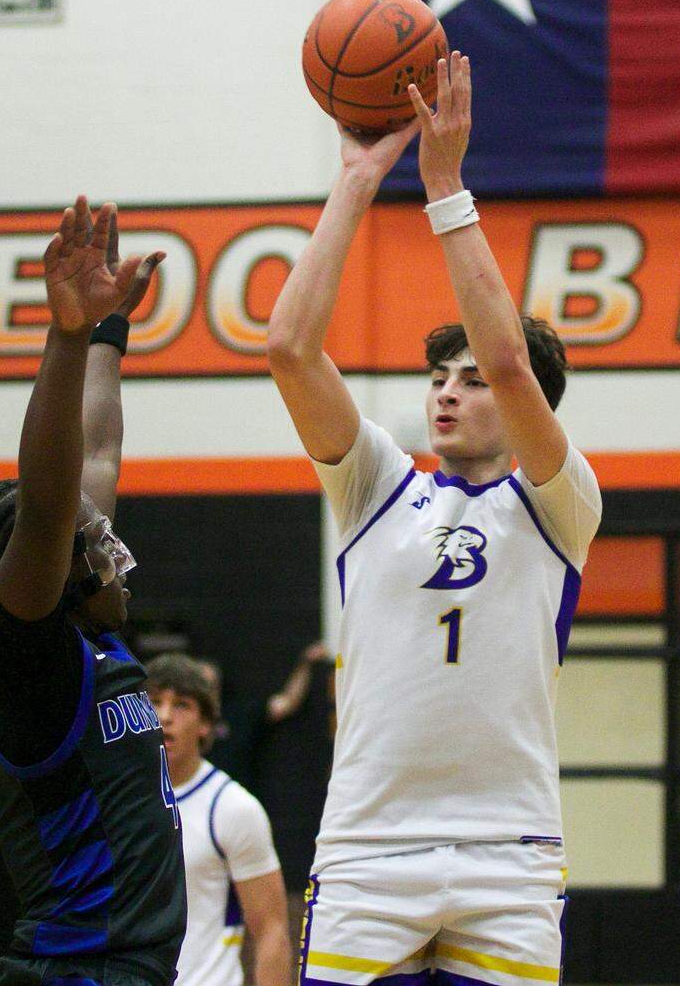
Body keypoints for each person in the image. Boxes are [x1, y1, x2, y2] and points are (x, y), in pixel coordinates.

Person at [267, 53, 602, 982]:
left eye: (470, 381)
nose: (449, 394)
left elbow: (508, 360)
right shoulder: (377, 484)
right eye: (437, 378)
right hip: (372, 848)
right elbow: (290, 349)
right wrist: (356, 180)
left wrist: (446, 190)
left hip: (509, 853)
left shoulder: (559, 500)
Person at [0, 197, 186, 986]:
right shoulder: (30, 664)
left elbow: (94, 453)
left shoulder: (84, 632)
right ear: (49, 565)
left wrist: (107, 331)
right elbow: (54, 498)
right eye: (96, 543)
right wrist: (64, 337)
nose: (117, 551)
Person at [145, 654, 290, 986]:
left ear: (206, 724)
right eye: (154, 702)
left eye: (181, 705)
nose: (165, 716)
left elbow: (271, 931)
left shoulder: (232, 807)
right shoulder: (115, 800)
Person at [205, 642, 330, 791]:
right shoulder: (178, 720)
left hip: (236, 796)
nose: (204, 691)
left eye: (209, 684)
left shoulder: (240, 713)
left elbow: (286, 703)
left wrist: (305, 664)